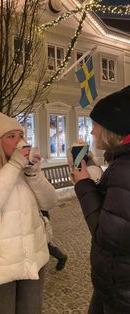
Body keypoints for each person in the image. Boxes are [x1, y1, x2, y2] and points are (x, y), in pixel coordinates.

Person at [0, 111, 58, 314]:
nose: (19, 142)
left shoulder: (26, 171)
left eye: (21, 136)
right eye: (11, 137)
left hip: (33, 259)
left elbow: (50, 202)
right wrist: (15, 165)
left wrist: (34, 174)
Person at [72, 85, 130, 314]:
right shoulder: (121, 165)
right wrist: (94, 170)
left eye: (95, 125)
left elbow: (108, 236)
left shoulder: (124, 168)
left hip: (121, 291)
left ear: (112, 129)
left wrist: (83, 184)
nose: (92, 132)